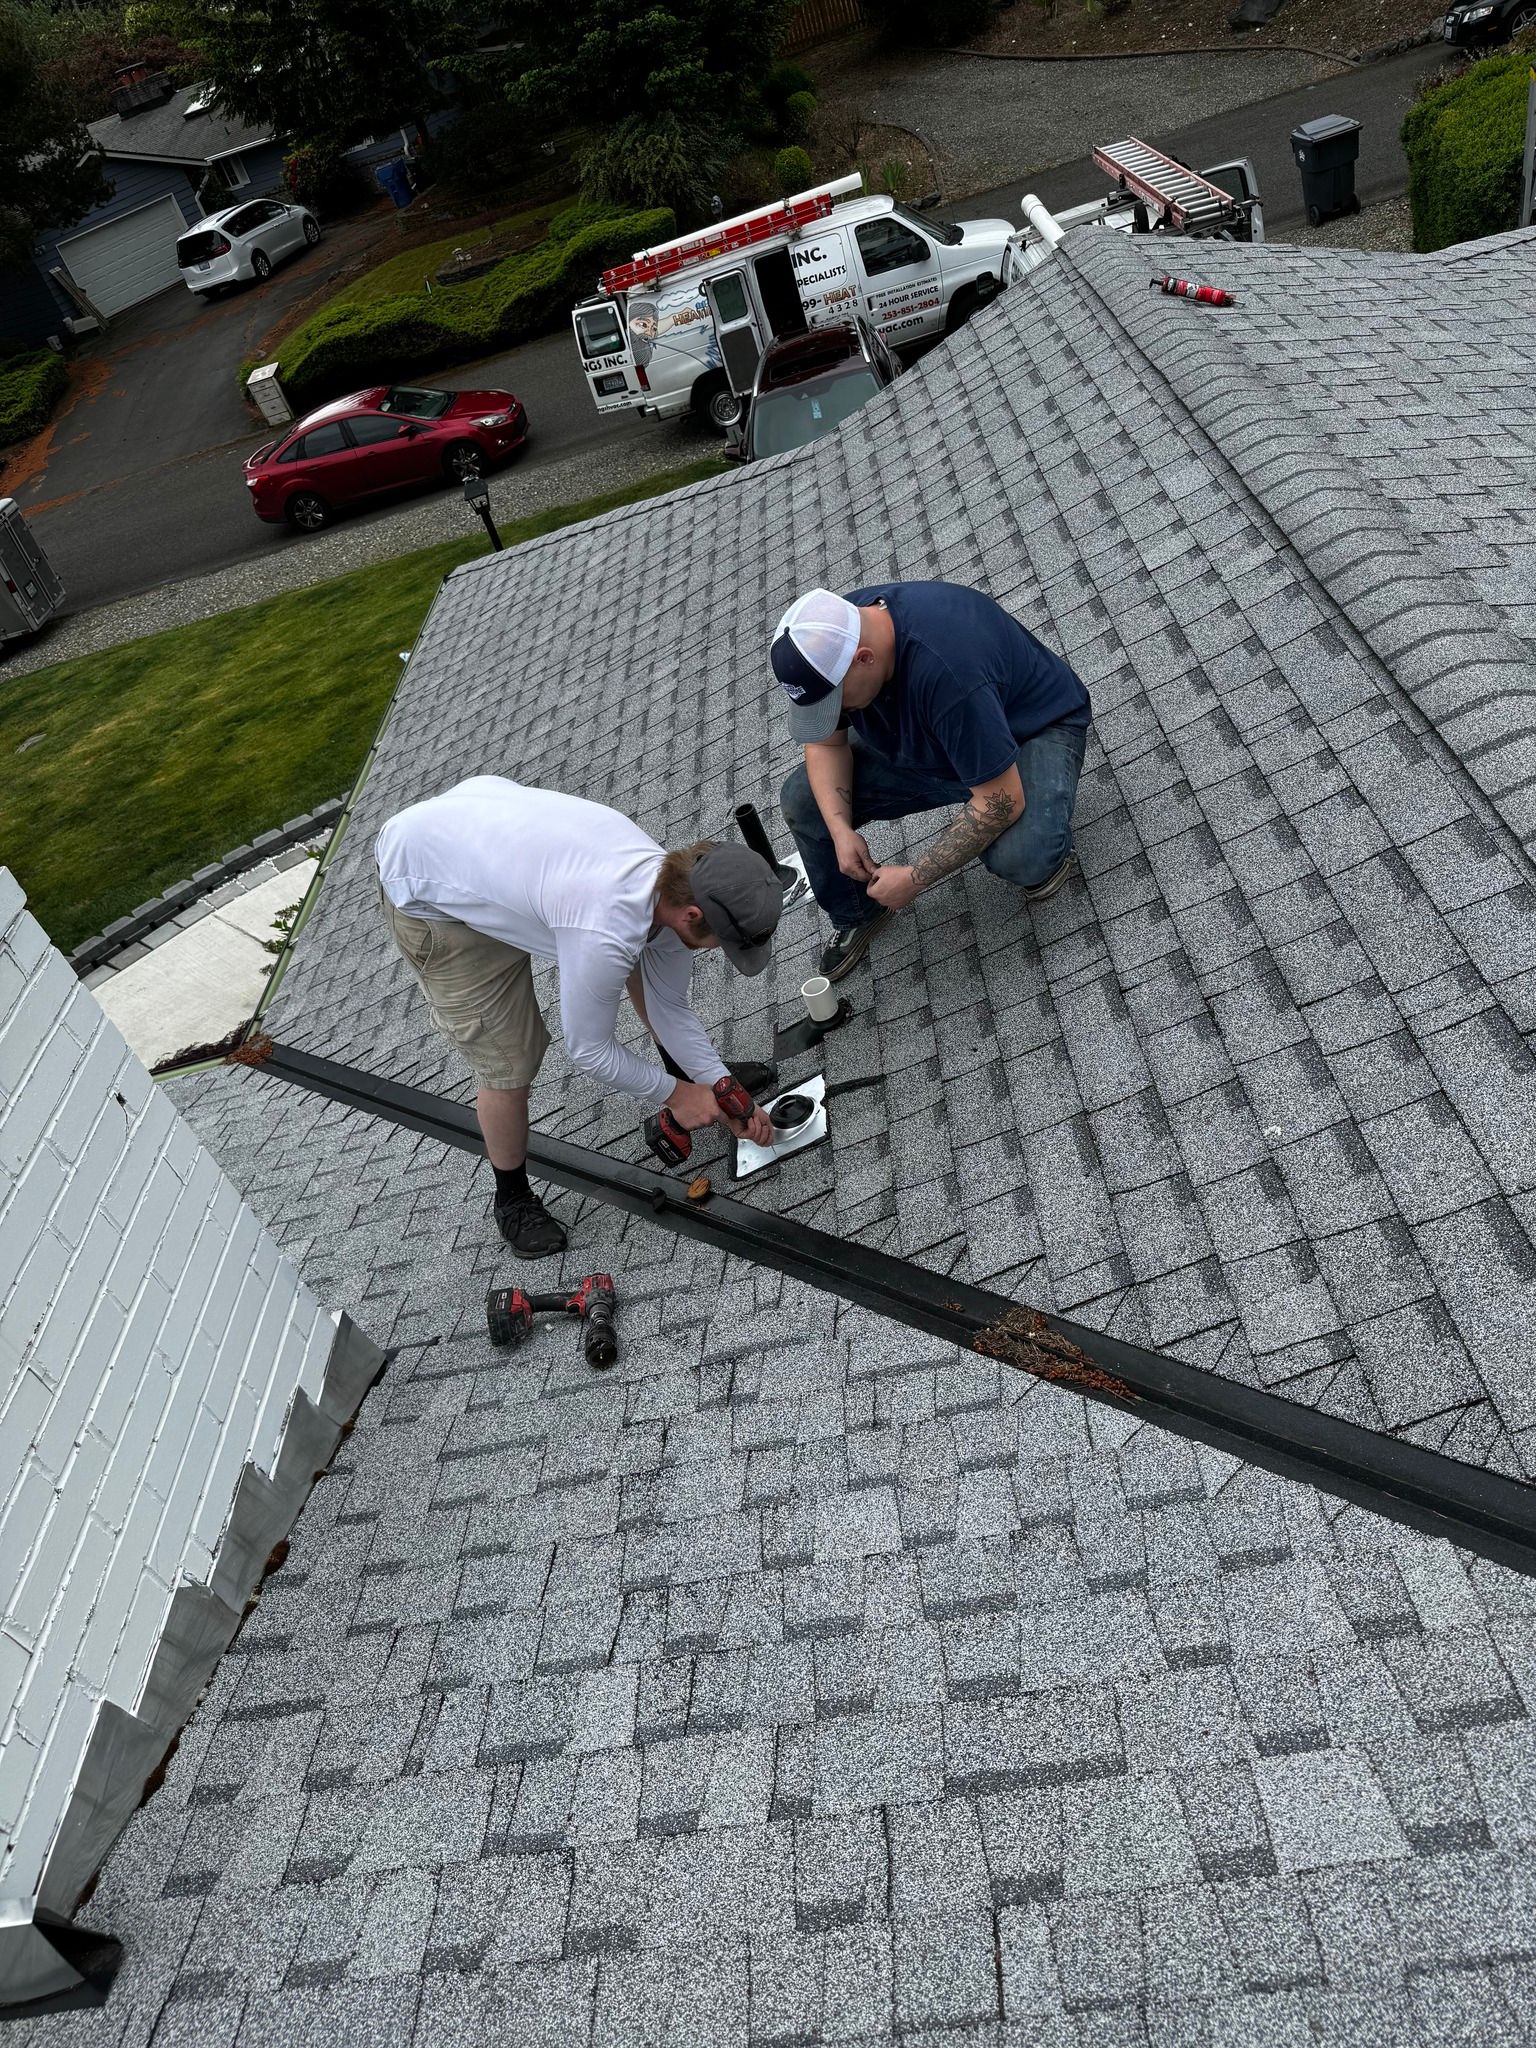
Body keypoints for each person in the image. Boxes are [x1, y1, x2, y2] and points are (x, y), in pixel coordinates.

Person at [376, 778, 781, 1257]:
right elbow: (588, 1050)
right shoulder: (605, 926)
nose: (720, 951)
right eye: (723, 942)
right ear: (694, 913)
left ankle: (690, 1085)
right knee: (511, 1059)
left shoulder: (671, 883)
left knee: (639, 964)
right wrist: (676, 1095)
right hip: (432, 896)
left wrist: (717, 1088)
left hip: (490, 856)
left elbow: (666, 1004)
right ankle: (512, 1197)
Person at [773, 582, 1093, 980]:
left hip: (1027, 733)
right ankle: (859, 912)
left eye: (839, 703)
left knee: (1023, 856)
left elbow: (1001, 797)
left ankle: (1047, 843)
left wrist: (916, 877)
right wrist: (839, 830)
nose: (838, 713)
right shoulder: (831, 634)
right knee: (804, 800)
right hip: (937, 740)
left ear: (864, 659)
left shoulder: (950, 670)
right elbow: (825, 745)